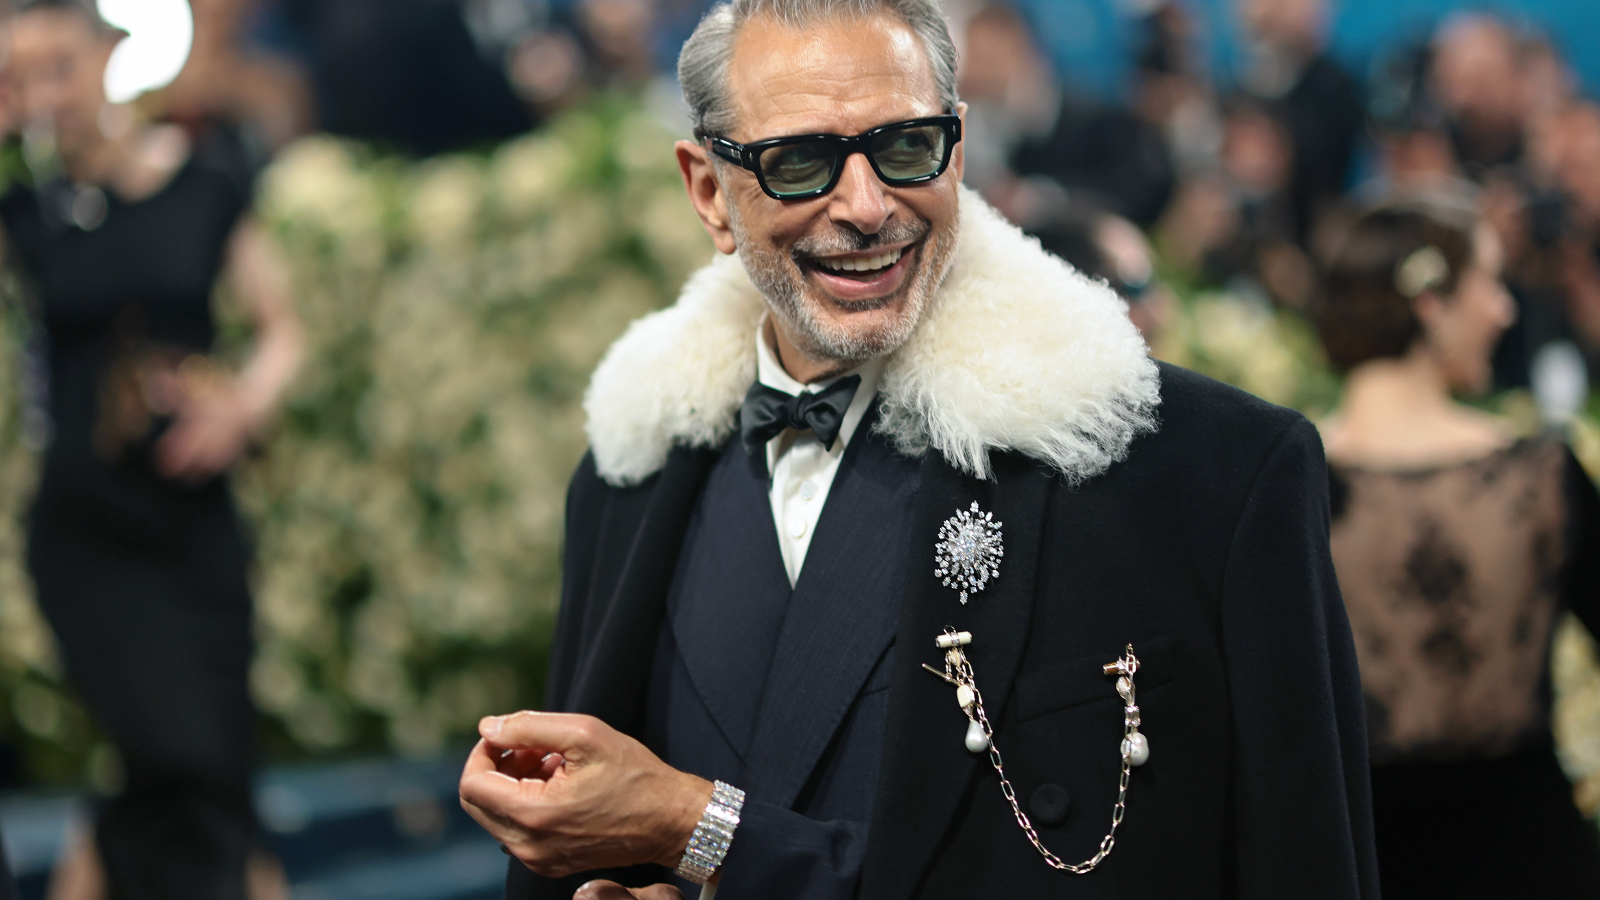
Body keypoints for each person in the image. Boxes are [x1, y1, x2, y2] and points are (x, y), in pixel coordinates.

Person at [458, 1, 1378, 897]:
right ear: (709, 193)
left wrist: (698, 828)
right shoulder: (627, 475)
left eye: (905, 147)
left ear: (959, 149)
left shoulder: (1214, 473)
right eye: (799, 162)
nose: (866, 206)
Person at [0, 1, 303, 897]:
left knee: (210, 768)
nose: (44, 94)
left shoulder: (203, 179)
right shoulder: (25, 209)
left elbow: (281, 330)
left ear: (107, 55)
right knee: (180, 753)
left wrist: (240, 407)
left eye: (58, 67)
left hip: (196, 524)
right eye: (18, 77)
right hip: (87, 533)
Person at [1313, 202, 1600, 897]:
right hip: (1530, 861)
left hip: (1349, 863)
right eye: (1491, 283)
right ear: (1432, 304)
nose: (1504, 310)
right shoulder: (1536, 478)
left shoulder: (1280, 485)